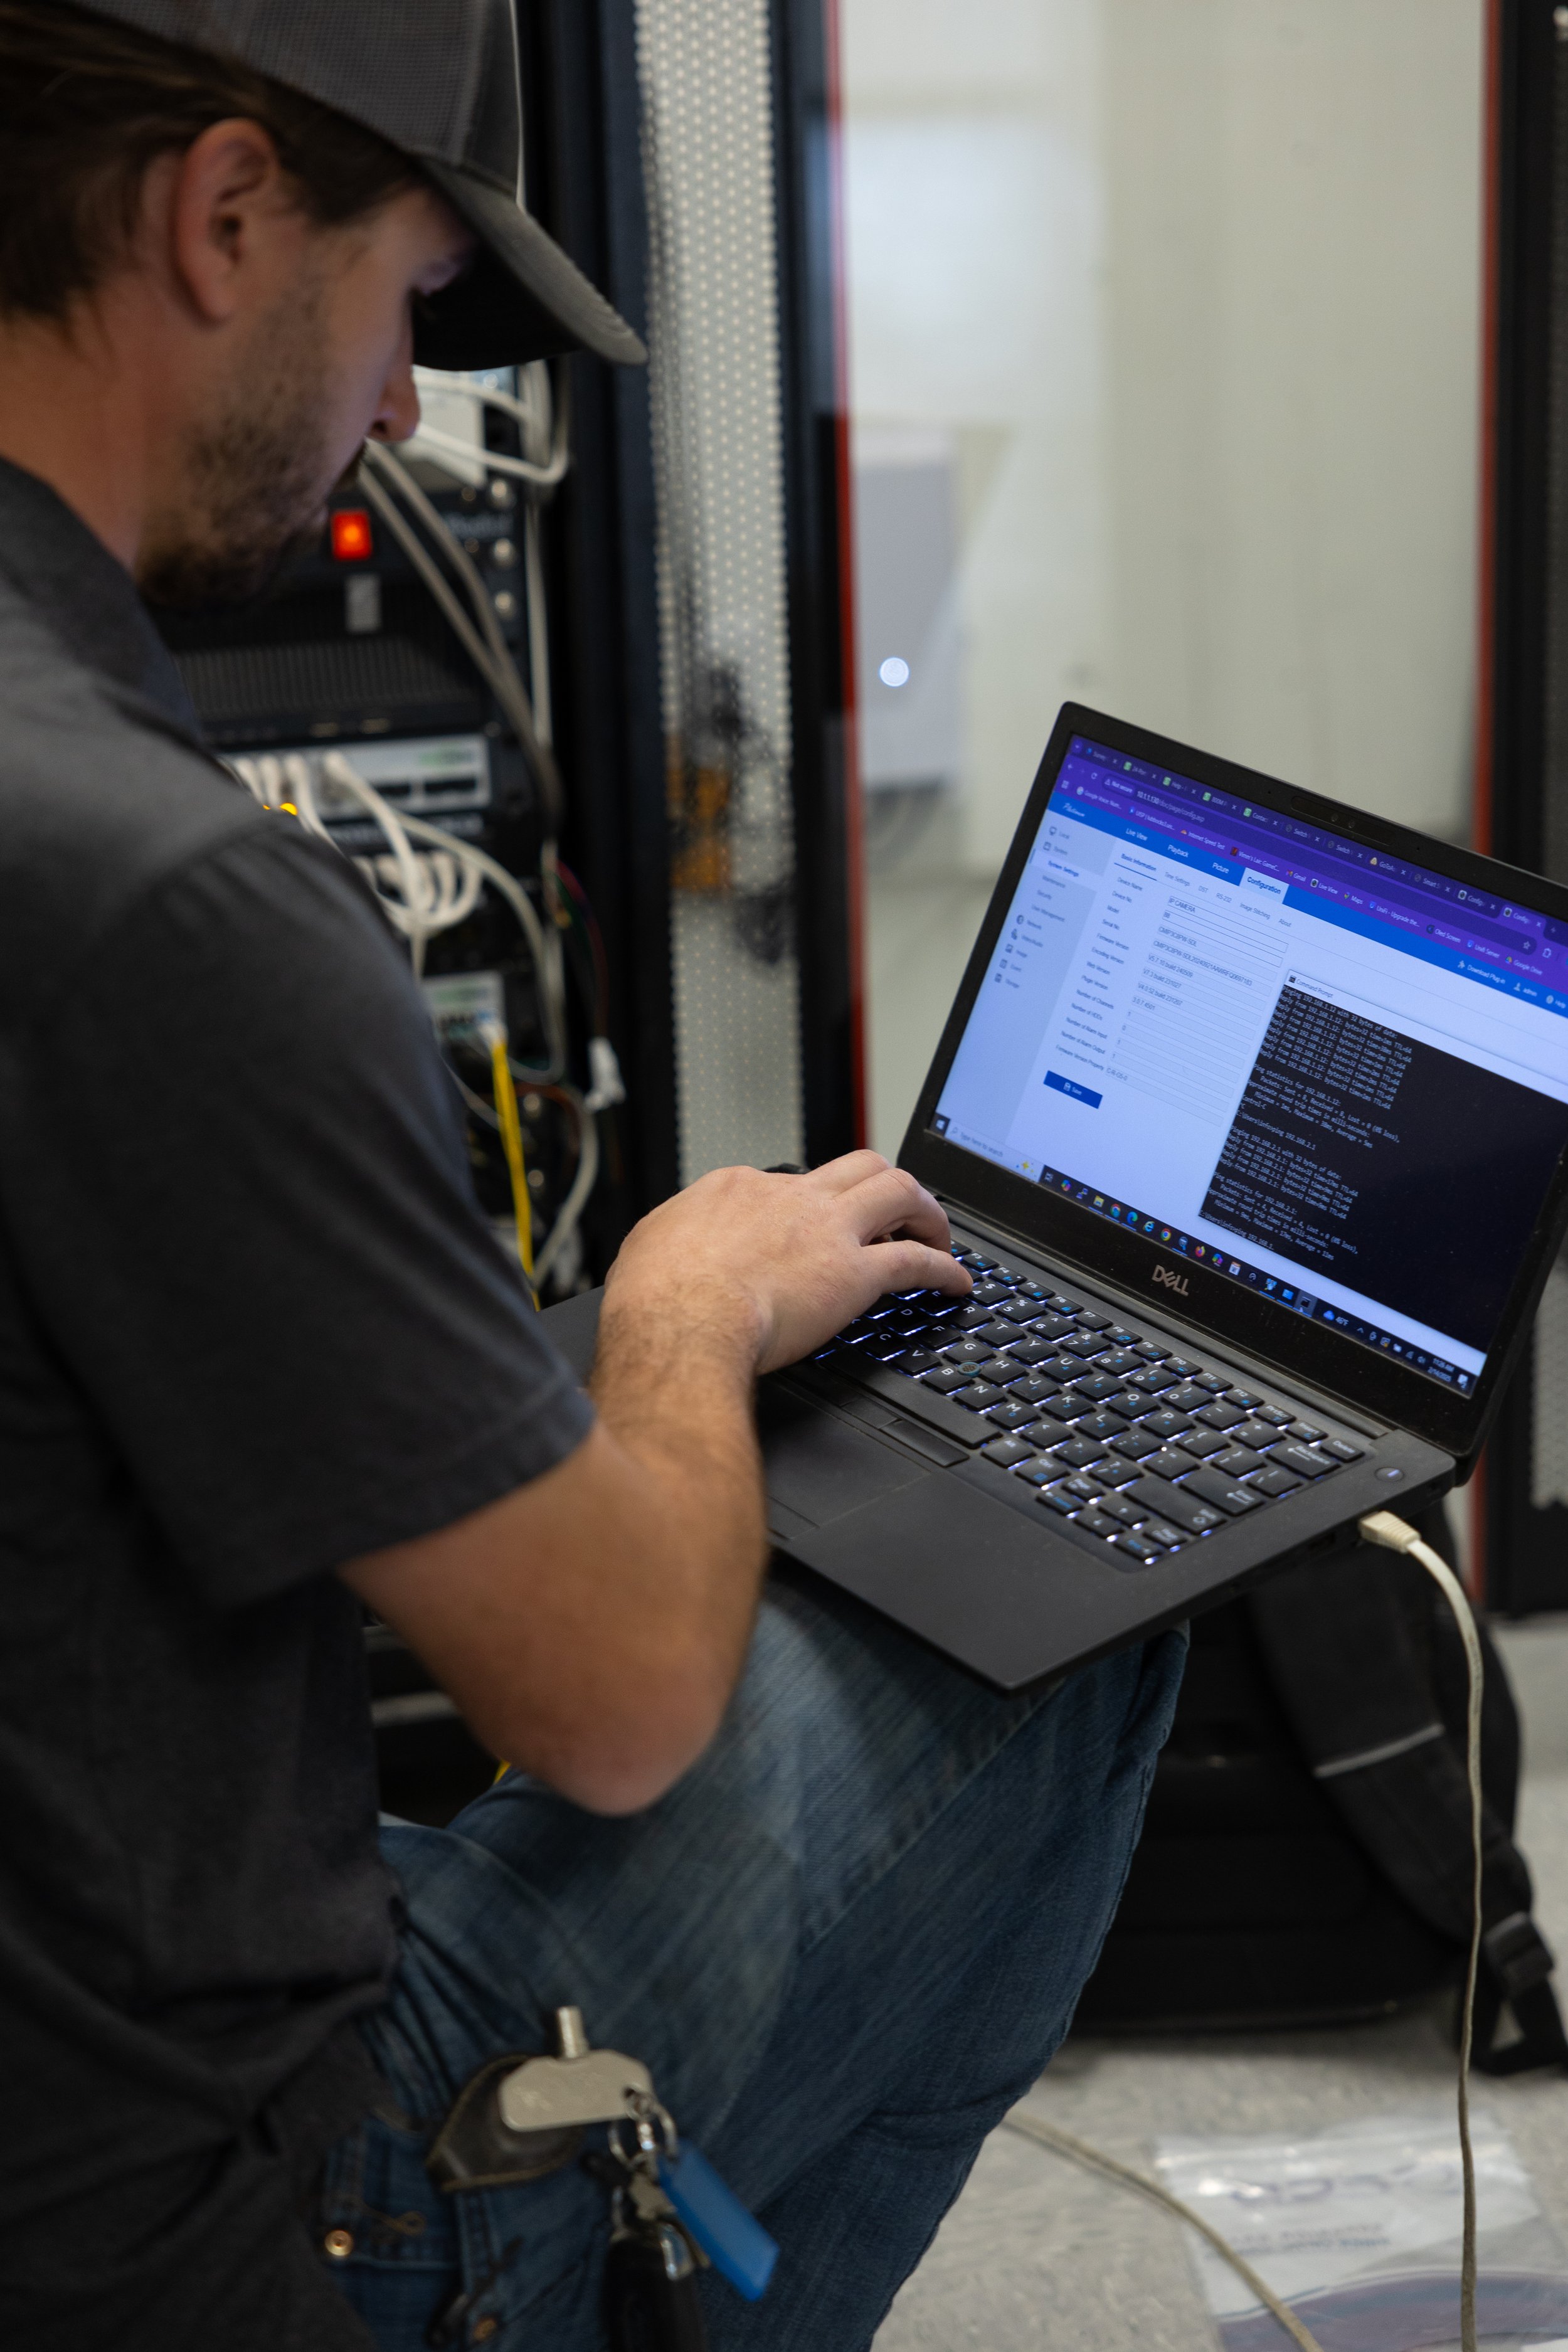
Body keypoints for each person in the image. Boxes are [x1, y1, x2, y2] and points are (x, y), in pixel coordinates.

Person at [0, 4, 1184, 2346]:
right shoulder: (164, 903)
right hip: (213, 2225)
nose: (406, 411)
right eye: (412, 299)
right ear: (224, 218)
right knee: (1074, 1640)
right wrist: (674, 1304)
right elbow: (625, 1693)